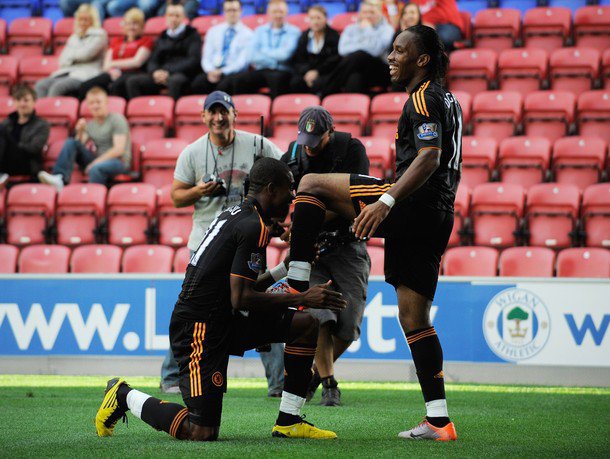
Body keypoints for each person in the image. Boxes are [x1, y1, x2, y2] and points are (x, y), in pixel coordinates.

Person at [281, 25, 462, 441]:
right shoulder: (448, 98)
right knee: (414, 318)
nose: (390, 57)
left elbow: (429, 157)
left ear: (422, 60)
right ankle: (439, 420)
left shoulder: (422, 97)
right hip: (439, 214)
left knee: (310, 184)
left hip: (414, 204)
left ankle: (295, 281)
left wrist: (387, 201)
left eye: (399, 50)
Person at [95, 157, 347, 441]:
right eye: (289, 189)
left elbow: (237, 290)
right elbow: (241, 298)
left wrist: (283, 269)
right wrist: (304, 296)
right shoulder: (252, 226)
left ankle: (289, 421)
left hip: (224, 318)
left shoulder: (238, 215)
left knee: (305, 325)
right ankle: (123, 394)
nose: (292, 197)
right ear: (271, 189)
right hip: (198, 329)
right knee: (201, 431)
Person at [159, 90, 285, 395]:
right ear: (203, 116)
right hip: (207, 242)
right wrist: (200, 191)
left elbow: (285, 174)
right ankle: (172, 376)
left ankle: (279, 383)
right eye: (212, 112)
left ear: (234, 114)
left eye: (223, 111)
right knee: (197, 308)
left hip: (250, 238)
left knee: (260, 304)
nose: (218, 118)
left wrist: (273, 217)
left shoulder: (258, 144)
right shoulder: (192, 152)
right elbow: (176, 197)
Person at [281, 106, 371, 406]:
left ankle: (313, 377)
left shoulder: (352, 150)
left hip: (348, 243)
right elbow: (277, 195)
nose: (309, 146)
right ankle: (330, 383)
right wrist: (278, 223)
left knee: (348, 325)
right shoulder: (293, 155)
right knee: (319, 316)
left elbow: (356, 201)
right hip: (310, 249)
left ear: (330, 132)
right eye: (305, 140)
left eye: (316, 140)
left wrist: (306, 220)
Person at [38, 87, 131, 191]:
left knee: (95, 168)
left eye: (98, 102)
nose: (95, 106)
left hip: (118, 162)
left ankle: (92, 196)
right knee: (71, 142)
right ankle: (60, 178)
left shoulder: (117, 119)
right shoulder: (90, 124)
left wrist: (95, 163)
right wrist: (80, 131)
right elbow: (79, 144)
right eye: (91, 103)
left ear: (106, 102)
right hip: (98, 160)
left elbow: (118, 150)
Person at [223, 0, 300, 98]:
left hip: (283, 71)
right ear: (268, 13)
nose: (278, 15)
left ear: (286, 13)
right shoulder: (259, 30)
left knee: (277, 80)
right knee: (238, 80)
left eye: (281, 12)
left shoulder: (294, 31)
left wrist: (263, 51)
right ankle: (244, 106)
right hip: (261, 70)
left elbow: (284, 55)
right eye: (274, 12)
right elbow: (251, 55)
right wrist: (274, 62)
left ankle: (277, 106)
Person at [125, 3, 201, 100]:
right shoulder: (162, 36)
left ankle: (172, 109)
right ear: (165, 17)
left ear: (183, 17)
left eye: (177, 16)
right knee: (133, 81)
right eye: (170, 15)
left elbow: (193, 60)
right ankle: (140, 108)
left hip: (181, 74)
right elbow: (153, 60)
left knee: (175, 81)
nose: (173, 19)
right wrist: (155, 72)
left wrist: (168, 72)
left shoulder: (192, 34)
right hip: (160, 74)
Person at [319, 0, 394, 96]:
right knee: (354, 77)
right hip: (356, 68)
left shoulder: (387, 29)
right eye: (364, 12)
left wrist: (368, 29)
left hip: (379, 69)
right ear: (359, 14)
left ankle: (326, 90)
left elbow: (376, 51)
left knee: (360, 55)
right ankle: (349, 103)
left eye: (372, 12)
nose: (368, 15)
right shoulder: (350, 29)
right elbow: (343, 50)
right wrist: (364, 46)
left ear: (380, 13)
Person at [78, 8, 153, 100]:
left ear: (141, 26)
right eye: (128, 24)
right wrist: (112, 70)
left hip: (133, 73)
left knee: (117, 85)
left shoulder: (146, 40)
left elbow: (137, 62)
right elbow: (106, 65)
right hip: (112, 72)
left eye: (135, 24)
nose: (131, 27)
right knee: (86, 86)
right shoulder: (116, 41)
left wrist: (113, 64)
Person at [36, 4, 108, 98]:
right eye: (80, 19)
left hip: (87, 74)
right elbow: (62, 59)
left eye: (86, 20)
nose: (82, 23)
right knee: (41, 85)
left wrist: (71, 56)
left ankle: (53, 107)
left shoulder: (100, 35)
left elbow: (86, 55)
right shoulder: (74, 37)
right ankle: (41, 107)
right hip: (67, 72)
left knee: (57, 87)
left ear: (93, 20)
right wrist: (75, 56)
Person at [190, 0, 253, 95]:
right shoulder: (213, 31)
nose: (232, 13)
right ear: (224, 12)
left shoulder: (248, 34)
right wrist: (210, 70)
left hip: (233, 72)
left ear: (240, 11)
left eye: (234, 10)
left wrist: (222, 72)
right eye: (228, 10)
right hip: (212, 70)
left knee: (224, 86)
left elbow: (242, 63)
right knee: (197, 83)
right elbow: (206, 56)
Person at [0, 86, 50, 188]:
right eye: (19, 100)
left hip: (27, 163)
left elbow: (34, 148)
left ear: (34, 102)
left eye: (26, 100)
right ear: (14, 102)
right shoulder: (7, 122)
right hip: (6, 161)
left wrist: (13, 146)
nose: (22, 104)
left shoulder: (42, 124)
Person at [288, 5, 340, 94]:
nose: (315, 22)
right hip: (306, 73)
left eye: (318, 18)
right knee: (295, 82)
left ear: (326, 19)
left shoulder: (334, 36)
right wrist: (307, 73)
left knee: (324, 83)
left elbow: (334, 59)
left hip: (326, 72)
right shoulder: (304, 36)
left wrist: (317, 72)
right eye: (312, 18)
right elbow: (298, 59)